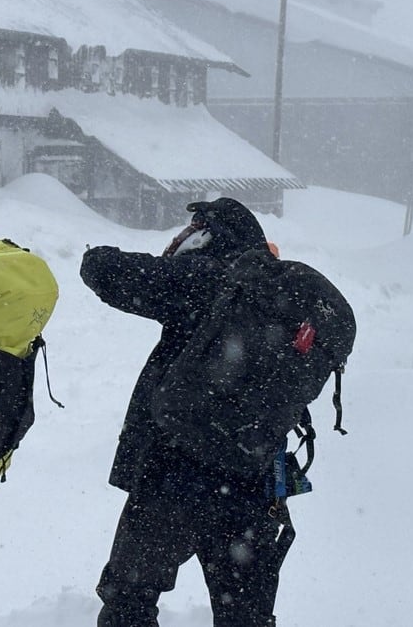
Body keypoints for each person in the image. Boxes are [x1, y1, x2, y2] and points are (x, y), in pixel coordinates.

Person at [80, 197, 295, 627]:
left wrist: (94, 255)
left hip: (176, 476)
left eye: (191, 231)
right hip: (254, 478)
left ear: (209, 236)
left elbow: (107, 272)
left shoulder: (209, 278)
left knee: (129, 603)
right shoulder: (280, 292)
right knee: (246, 616)